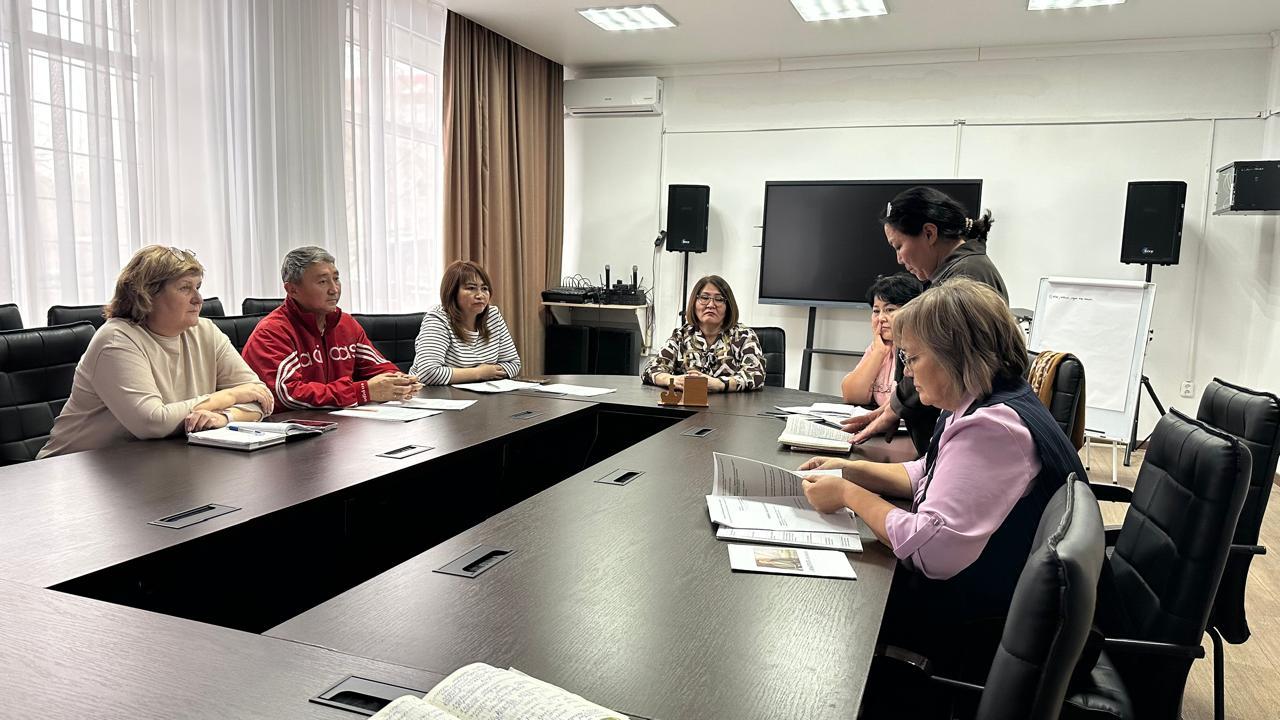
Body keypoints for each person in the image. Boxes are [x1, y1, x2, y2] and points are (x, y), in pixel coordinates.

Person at [799, 279, 1086, 679]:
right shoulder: (981, 400)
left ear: (954, 355)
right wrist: (851, 470)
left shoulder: (991, 428)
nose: (906, 371)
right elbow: (932, 472)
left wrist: (849, 495)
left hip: (988, 628)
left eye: (913, 357)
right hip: (1009, 599)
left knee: (830, 608)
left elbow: (931, 551)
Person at [38, 246, 272, 458]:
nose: (198, 299)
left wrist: (224, 417)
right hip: (72, 471)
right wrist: (229, 397)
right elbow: (152, 422)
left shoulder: (205, 331)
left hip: (151, 462)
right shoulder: (116, 340)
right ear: (147, 294)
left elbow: (260, 397)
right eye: (185, 288)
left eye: (198, 287)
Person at [844, 186, 1009, 452]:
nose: (899, 259)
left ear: (929, 233)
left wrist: (896, 407)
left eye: (899, 246)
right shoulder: (960, 270)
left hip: (962, 440)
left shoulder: (964, 278)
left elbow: (942, 360)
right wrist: (894, 405)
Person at [242, 246, 419, 408]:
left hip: (341, 423)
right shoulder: (271, 332)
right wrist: (362, 391)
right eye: (322, 282)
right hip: (291, 426)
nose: (334, 289)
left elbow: (379, 368)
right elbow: (289, 395)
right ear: (292, 290)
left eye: (336, 279)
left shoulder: (346, 324)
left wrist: (399, 381)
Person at [642, 275, 766, 393]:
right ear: (694, 302)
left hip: (731, 406)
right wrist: (673, 380)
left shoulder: (744, 337)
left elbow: (756, 375)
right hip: (687, 405)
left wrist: (719, 384)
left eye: (719, 299)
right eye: (704, 298)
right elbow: (650, 370)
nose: (711, 305)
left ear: (728, 306)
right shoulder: (681, 336)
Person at [410, 261, 522, 385]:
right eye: (471, 288)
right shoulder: (438, 319)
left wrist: (487, 373)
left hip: (480, 393)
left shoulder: (493, 316)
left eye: (484, 288)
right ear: (452, 292)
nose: (480, 295)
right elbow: (428, 373)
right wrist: (480, 373)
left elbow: (513, 364)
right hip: (434, 394)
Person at [840, 273, 923, 407]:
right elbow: (851, 396)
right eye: (876, 311)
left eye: (889, 309)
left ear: (912, 311)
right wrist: (878, 352)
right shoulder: (880, 346)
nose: (881, 318)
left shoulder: (922, 349)